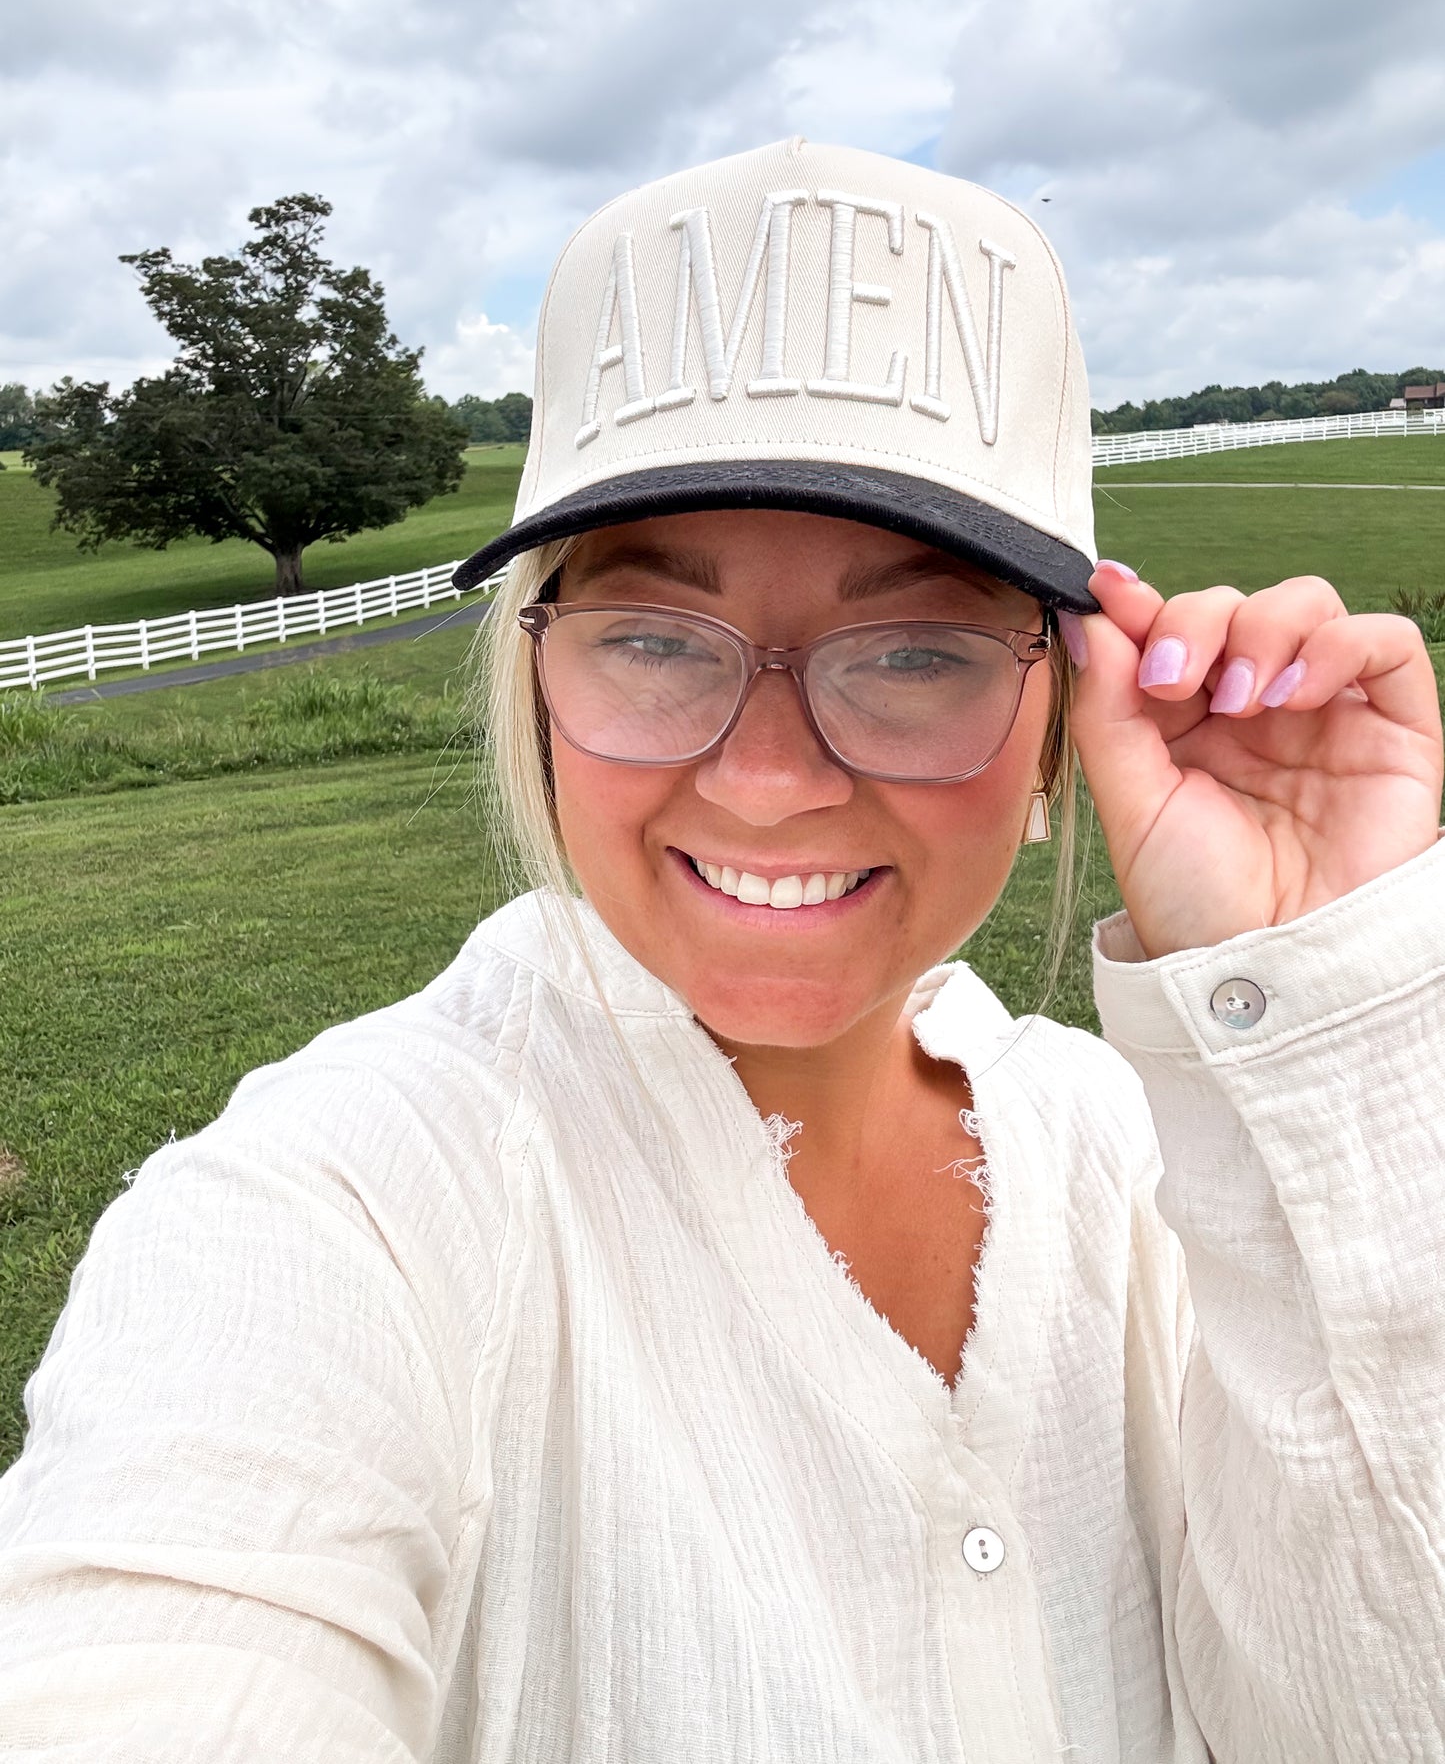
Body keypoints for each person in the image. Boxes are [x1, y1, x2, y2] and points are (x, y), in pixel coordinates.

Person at [0, 138, 1441, 1763]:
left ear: (1063, 707)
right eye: (651, 639)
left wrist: (1319, 996)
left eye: (912, 648)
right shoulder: (337, 1207)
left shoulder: (1122, 1157)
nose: (765, 777)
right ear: (536, 677)